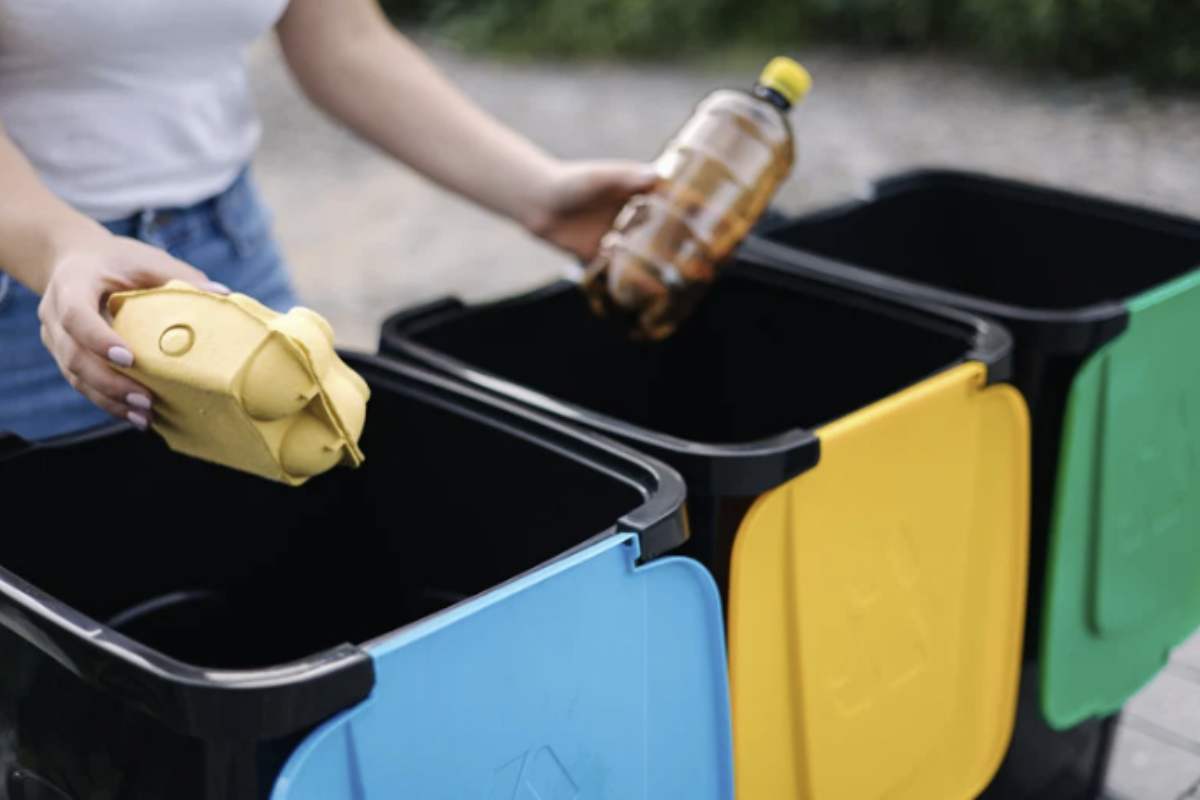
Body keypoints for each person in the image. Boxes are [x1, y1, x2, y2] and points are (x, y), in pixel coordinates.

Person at [0, 0, 655, 440]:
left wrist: (539, 194)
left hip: (221, 249)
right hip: (35, 290)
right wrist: (59, 248)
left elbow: (344, 38)